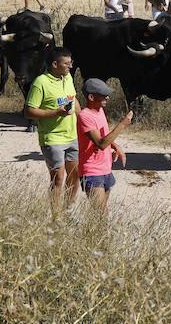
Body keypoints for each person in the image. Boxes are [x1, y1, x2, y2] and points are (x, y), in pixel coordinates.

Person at [24, 48, 80, 208]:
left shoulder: (67, 77)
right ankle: (56, 216)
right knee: (58, 179)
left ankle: (67, 209)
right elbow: (28, 111)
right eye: (67, 63)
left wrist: (82, 118)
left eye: (71, 63)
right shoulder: (40, 82)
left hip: (72, 135)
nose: (70, 66)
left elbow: (73, 98)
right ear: (55, 64)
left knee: (75, 176)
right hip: (52, 138)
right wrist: (56, 112)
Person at [77, 78, 133, 212]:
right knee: (101, 214)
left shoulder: (100, 110)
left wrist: (115, 146)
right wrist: (122, 124)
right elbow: (101, 143)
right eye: (103, 94)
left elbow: (104, 137)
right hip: (91, 171)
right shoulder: (85, 116)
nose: (107, 97)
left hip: (105, 169)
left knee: (99, 213)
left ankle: (89, 232)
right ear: (91, 97)